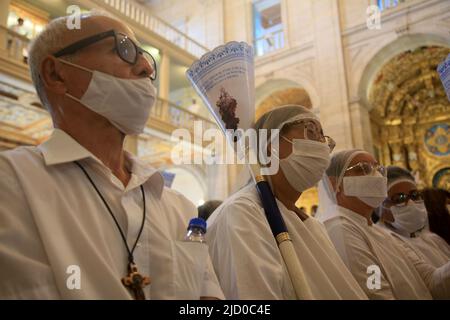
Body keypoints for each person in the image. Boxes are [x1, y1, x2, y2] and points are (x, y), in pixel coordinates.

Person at [0, 11, 223, 300]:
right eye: (124, 49)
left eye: (147, 57)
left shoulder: (177, 207)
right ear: (57, 74)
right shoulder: (11, 185)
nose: (146, 68)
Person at [207, 105, 367, 300]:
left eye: (323, 138)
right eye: (311, 132)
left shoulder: (313, 225)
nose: (322, 147)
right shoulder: (243, 213)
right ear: (270, 146)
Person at [317, 149, 450, 299]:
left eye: (377, 168)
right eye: (363, 168)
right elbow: (375, 291)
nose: (377, 176)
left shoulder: (378, 232)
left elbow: (430, 282)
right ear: (334, 184)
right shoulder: (340, 228)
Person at [376, 166, 450, 267]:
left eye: (414, 195)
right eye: (399, 198)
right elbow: (431, 280)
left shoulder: (434, 240)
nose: (410, 203)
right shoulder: (386, 248)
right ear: (381, 208)